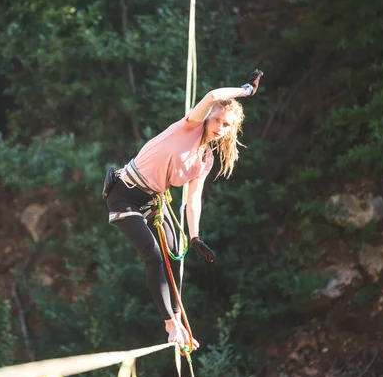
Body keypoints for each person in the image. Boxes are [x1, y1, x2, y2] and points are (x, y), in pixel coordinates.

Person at [102, 69, 264, 350]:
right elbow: (213, 95)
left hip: (152, 199)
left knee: (175, 253)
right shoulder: (188, 126)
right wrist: (245, 91)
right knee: (152, 255)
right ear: (208, 117)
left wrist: (195, 236)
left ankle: (178, 322)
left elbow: (194, 199)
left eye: (227, 125)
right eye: (217, 121)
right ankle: (169, 325)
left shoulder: (206, 159)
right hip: (124, 194)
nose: (220, 128)